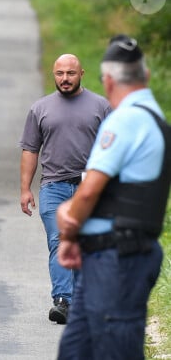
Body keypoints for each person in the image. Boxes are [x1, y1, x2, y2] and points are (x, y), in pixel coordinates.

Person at [56, 35, 169, 359]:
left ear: (107, 81)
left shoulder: (126, 119)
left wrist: (69, 225)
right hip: (112, 256)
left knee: (113, 352)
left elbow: (89, 189)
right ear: (145, 76)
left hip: (116, 259)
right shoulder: (156, 120)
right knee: (76, 350)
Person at [19, 54, 111, 324]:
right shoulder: (40, 108)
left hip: (89, 187)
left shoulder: (101, 107)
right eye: (60, 74)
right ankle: (63, 300)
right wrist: (25, 189)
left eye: (70, 73)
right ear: (53, 74)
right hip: (54, 186)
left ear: (81, 73)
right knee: (59, 242)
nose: (65, 79)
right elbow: (30, 150)